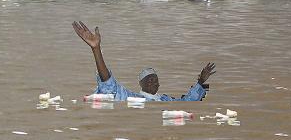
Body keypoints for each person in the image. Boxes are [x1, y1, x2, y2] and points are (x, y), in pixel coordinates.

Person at [72, 21, 216, 101]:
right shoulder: (136, 98)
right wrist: (96, 49)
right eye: (148, 80)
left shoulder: (166, 100)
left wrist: (201, 82)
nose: (152, 82)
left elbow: (187, 103)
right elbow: (110, 87)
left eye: (154, 80)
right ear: (140, 84)